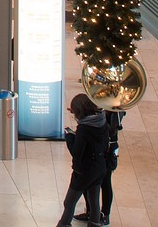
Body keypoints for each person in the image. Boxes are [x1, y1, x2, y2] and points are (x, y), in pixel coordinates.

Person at [54, 94, 109, 227]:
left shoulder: (84, 129)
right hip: (100, 167)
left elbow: (77, 153)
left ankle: (64, 224)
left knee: (69, 202)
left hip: (84, 171)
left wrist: (70, 138)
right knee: (94, 201)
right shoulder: (101, 121)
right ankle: (94, 223)